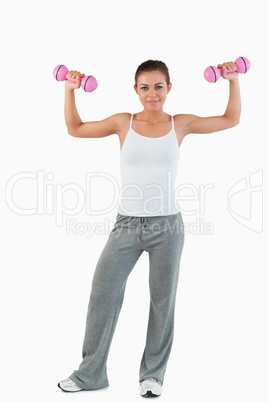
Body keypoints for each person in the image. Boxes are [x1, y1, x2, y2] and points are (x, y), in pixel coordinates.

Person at [58, 59, 241, 397]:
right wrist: (70, 91)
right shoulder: (122, 122)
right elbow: (76, 129)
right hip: (126, 225)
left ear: (168, 89)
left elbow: (231, 119)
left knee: (162, 301)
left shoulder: (180, 123)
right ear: (136, 90)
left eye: (158, 86)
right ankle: (90, 374)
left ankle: (152, 376)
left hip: (168, 228)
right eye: (145, 87)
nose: (152, 94)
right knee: (103, 294)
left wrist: (232, 80)